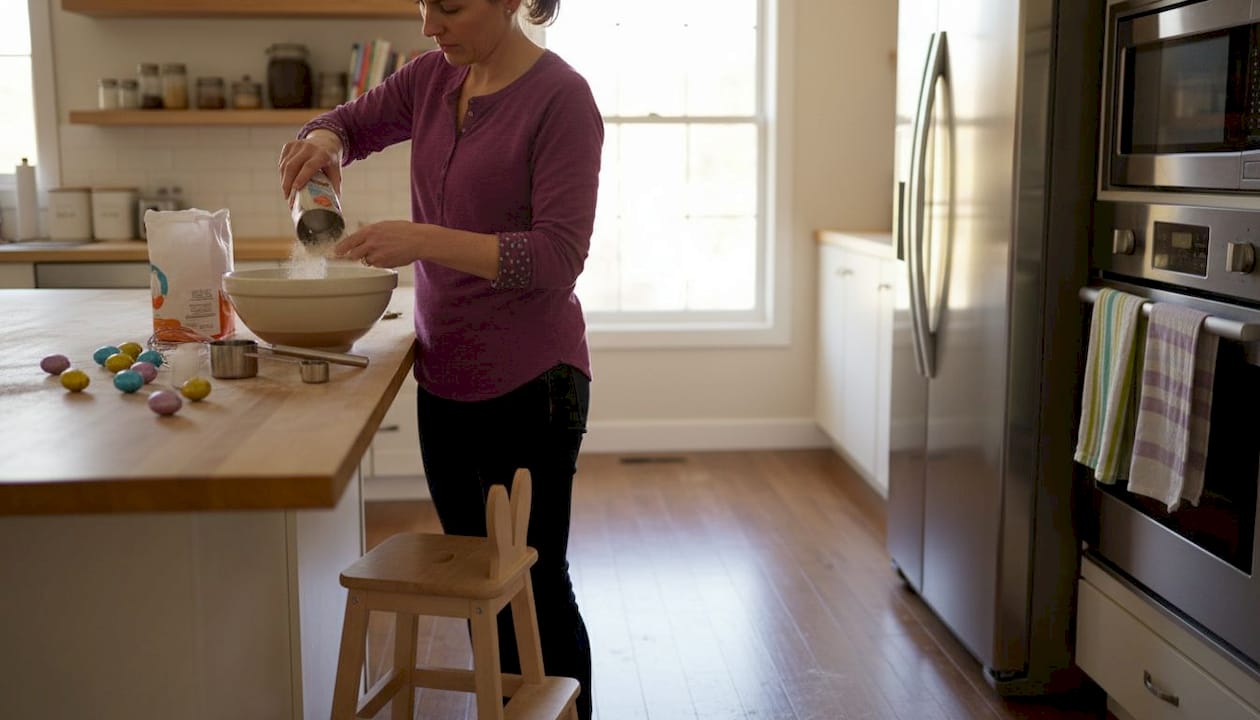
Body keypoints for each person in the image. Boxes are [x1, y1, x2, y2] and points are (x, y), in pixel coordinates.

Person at [277, 1, 601, 717]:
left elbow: (557, 257)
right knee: (483, 593)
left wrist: (425, 239)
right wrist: (324, 138)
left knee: (536, 586)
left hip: (534, 384)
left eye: (449, 7)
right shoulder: (430, 79)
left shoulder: (562, 98)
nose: (430, 26)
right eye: (424, 5)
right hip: (445, 380)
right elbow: (352, 124)